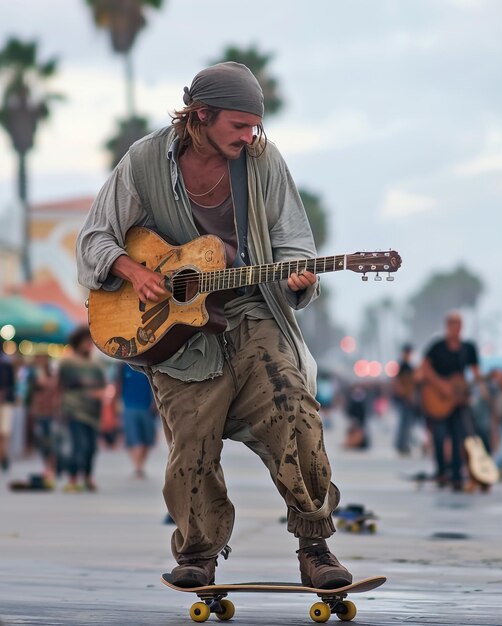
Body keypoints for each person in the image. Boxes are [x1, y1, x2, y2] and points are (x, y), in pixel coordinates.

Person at [75, 62, 352, 590]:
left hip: (251, 310)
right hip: (176, 335)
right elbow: (94, 238)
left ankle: (315, 546)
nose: (250, 137)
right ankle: (199, 553)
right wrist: (132, 271)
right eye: (238, 126)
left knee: (294, 410)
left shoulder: (263, 162)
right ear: (199, 117)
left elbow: (294, 241)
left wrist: (298, 278)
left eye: (255, 127)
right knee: (192, 446)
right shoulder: (144, 161)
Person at [421, 311, 480, 491]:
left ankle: (456, 475)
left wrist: (477, 383)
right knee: (439, 436)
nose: (455, 328)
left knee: (458, 437)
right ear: (447, 326)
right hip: (438, 399)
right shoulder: (437, 347)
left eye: (458, 324)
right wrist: (441, 385)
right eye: (452, 324)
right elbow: (425, 367)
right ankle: (441, 471)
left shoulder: (468, 348)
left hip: (458, 400)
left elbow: (475, 372)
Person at [58, 326, 106, 492]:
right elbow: (62, 385)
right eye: (86, 342)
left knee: (92, 447)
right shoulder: (67, 362)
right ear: (77, 343)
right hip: (74, 410)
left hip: (93, 412)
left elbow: (103, 387)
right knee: (80, 445)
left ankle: (87, 476)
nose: (89, 345)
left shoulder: (96, 364)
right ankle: (72, 478)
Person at [118, 363, 157, 478]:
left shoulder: (147, 364)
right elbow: (118, 385)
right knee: (134, 439)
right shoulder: (122, 366)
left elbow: (155, 385)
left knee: (147, 439)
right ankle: (138, 467)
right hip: (129, 406)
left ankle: (140, 465)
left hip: (146, 407)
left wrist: (155, 403)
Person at [29, 353, 61, 487]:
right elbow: (40, 384)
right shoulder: (34, 374)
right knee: (42, 440)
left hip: (52, 411)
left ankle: (53, 466)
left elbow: (55, 387)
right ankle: (48, 465)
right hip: (39, 411)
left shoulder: (53, 373)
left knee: (52, 440)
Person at [391, 343, 418, 456]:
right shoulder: (402, 366)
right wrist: (404, 394)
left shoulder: (409, 367)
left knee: (406, 423)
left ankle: (403, 444)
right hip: (403, 399)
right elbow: (397, 382)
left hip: (407, 398)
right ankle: (402, 445)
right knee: (404, 423)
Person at [0, 347, 15, 473]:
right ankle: (3, 456)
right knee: (4, 432)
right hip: (7, 402)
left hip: (5, 403)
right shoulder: (7, 362)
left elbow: (10, 383)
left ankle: (3, 456)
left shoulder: (6, 362)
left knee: (4, 432)